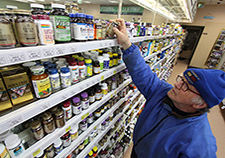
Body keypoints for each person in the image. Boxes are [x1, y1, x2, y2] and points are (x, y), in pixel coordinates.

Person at [112, 18, 225, 158]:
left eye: (186, 86)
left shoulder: (200, 144)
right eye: (182, 79)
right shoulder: (163, 93)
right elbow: (143, 74)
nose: (177, 84)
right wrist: (126, 44)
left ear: (199, 103)